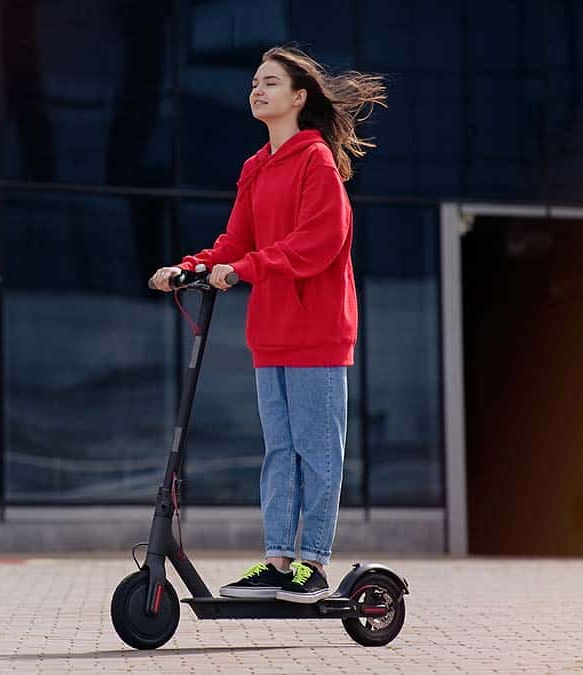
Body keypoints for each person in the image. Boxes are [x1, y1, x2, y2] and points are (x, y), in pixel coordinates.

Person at [149, 45, 386, 603]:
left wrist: (246, 268)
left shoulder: (315, 160)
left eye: (271, 83)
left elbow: (319, 243)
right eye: (254, 82)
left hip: (318, 331)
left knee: (316, 450)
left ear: (299, 98)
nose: (257, 90)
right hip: (271, 332)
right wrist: (192, 268)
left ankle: (314, 565)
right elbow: (236, 242)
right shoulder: (256, 167)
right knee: (280, 450)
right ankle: (278, 561)